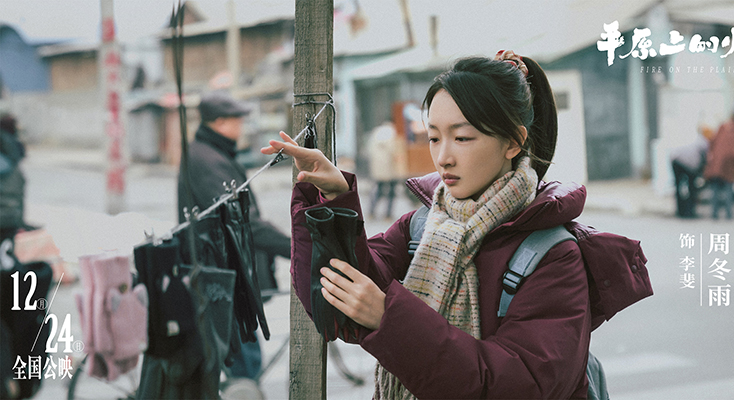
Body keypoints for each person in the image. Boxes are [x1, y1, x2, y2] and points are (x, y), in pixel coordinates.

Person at [263, 51, 647, 399]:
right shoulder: (423, 225)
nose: (442, 157)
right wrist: (332, 199)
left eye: (462, 138)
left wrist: (388, 319)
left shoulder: (552, 254)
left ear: (513, 142)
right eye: (433, 137)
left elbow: (516, 385)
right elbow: (338, 303)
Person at [177, 91, 291, 379]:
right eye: (237, 120)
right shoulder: (208, 161)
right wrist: (296, 247)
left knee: (236, 360)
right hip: (224, 277)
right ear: (220, 122)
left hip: (225, 274)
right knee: (244, 365)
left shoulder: (210, 154)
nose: (242, 127)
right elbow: (244, 222)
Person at [669, 127, 710, 218]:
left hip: (675, 159)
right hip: (689, 164)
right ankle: (689, 212)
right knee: (692, 188)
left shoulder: (692, 138)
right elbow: (706, 159)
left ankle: (680, 211)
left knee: (678, 186)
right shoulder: (704, 142)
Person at [367, 120, 403, 220]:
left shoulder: (376, 132)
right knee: (391, 191)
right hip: (390, 167)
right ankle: (388, 214)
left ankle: (371, 212)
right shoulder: (393, 132)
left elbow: (369, 149)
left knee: (378, 189)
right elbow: (394, 150)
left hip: (378, 168)